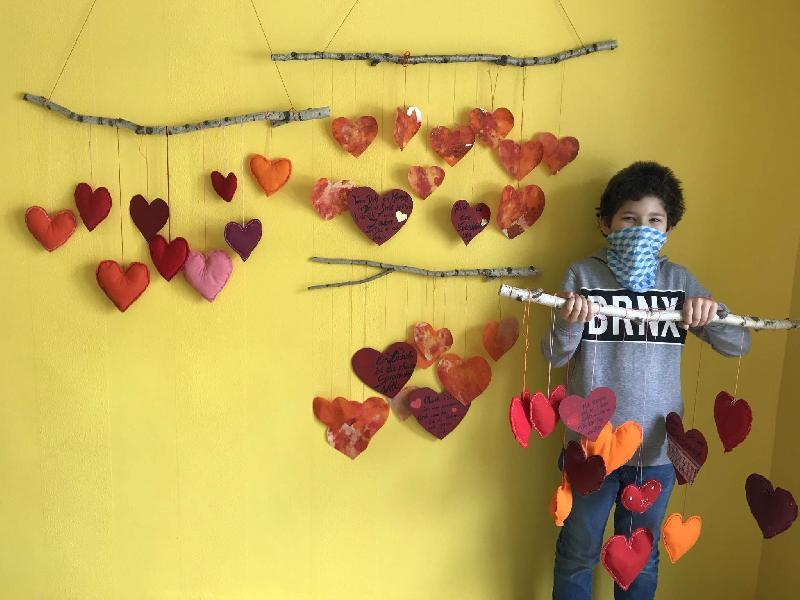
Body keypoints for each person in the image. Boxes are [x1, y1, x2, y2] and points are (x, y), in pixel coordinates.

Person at [542, 161, 751, 600]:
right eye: (629, 219)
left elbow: (737, 346)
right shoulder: (583, 275)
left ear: (669, 228)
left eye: (654, 221)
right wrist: (567, 320)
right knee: (578, 550)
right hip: (590, 450)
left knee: (640, 560)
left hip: (655, 454)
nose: (642, 230)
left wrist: (712, 312)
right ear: (606, 223)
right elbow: (554, 355)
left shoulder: (678, 282)